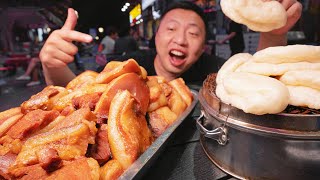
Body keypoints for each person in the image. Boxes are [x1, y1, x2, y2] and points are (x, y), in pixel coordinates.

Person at [39, 0, 302, 87]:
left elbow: (261, 84)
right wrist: (52, 65)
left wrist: (273, 33)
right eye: (172, 28)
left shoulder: (217, 74)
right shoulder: (124, 68)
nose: (180, 39)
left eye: (193, 33)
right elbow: (77, 96)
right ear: (156, 36)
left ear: (203, 47)